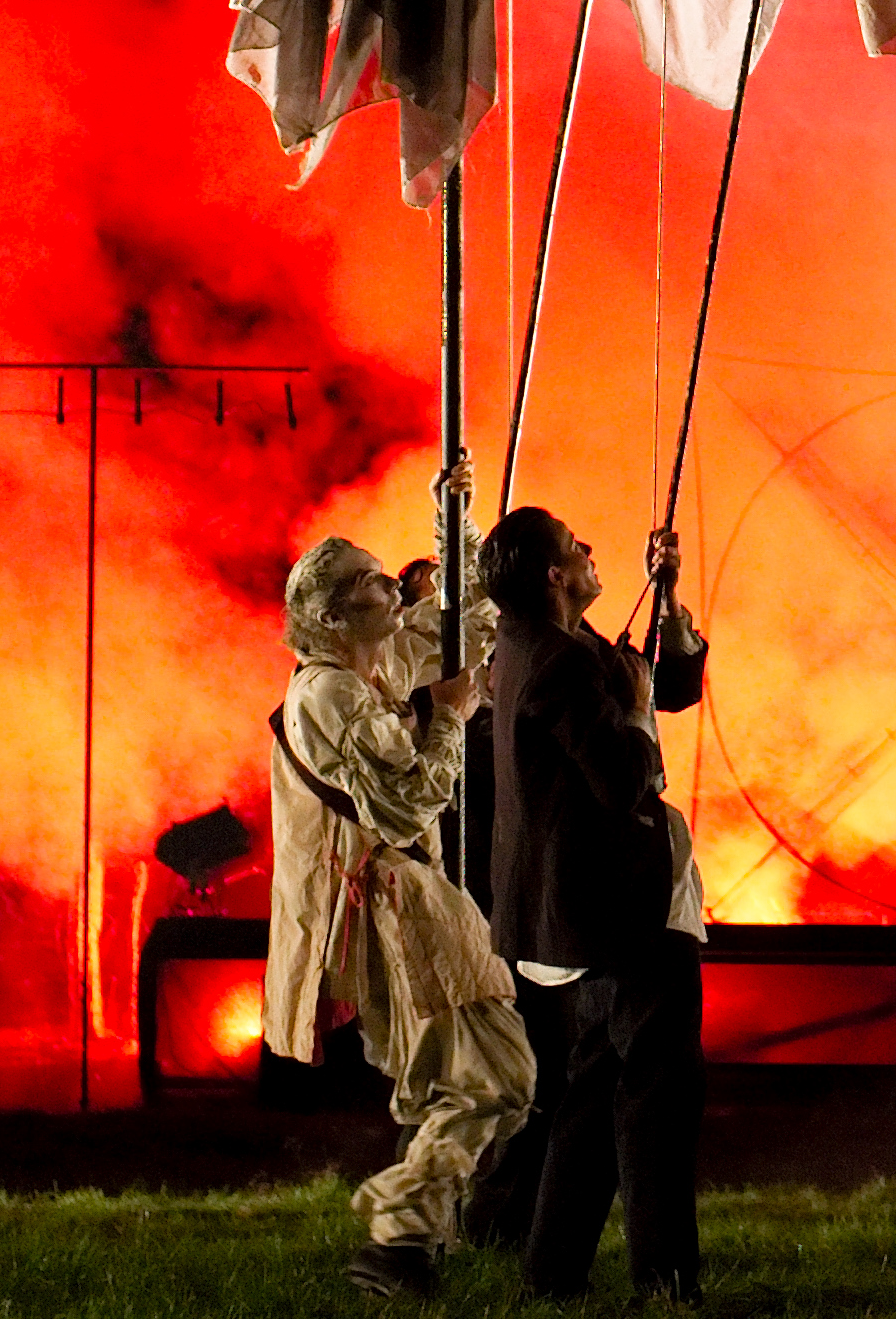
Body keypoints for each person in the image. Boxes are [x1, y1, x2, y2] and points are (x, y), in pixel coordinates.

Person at [267, 528, 533, 1298]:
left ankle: (414, 1238)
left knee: (465, 1080)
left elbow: (461, 615)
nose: (392, 587)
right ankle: (402, 1232)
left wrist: (456, 514)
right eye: (371, 580)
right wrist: (448, 717)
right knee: (495, 1078)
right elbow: (406, 803)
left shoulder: (368, 668)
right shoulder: (329, 693)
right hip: (391, 904)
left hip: (404, 898)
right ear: (332, 614)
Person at [479, 505, 710, 1300]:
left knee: (589, 1093)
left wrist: (665, 598)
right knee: (658, 1095)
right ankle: (665, 1283)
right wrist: (638, 713)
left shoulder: (542, 643)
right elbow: (622, 773)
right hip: (618, 909)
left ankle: (552, 1272)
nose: (588, 549)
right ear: (555, 574)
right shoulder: (559, 659)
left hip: (582, 911)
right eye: (576, 545)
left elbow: (665, 683)